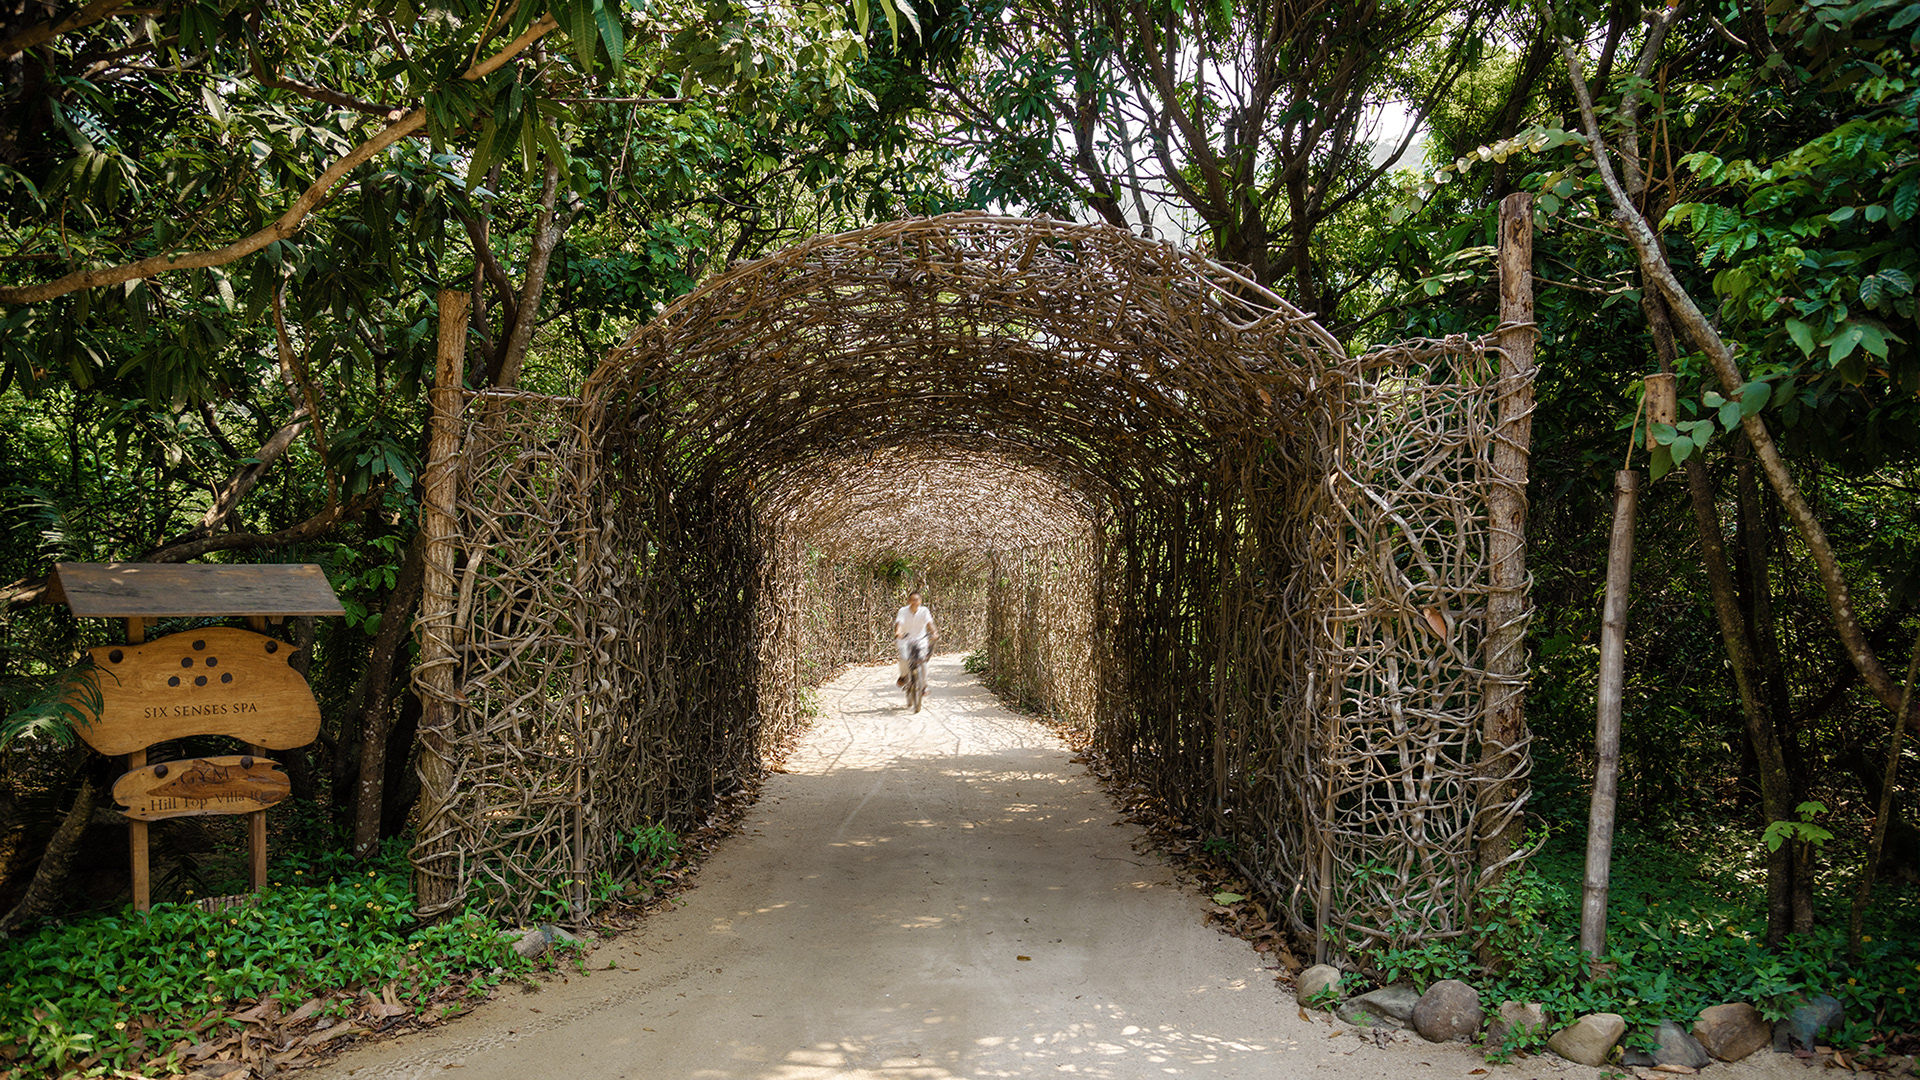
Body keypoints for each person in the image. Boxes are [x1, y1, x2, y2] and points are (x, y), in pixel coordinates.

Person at [894, 591, 936, 688]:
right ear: (908, 601)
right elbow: (899, 623)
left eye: (916, 600)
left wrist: (934, 632)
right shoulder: (903, 611)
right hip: (905, 639)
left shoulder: (924, 611)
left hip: (921, 639)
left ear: (920, 601)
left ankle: (924, 686)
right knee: (904, 658)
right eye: (911, 600)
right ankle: (903, 676)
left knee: (923, 661)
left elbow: (930, 623)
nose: (914, 602)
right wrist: (898, 632)